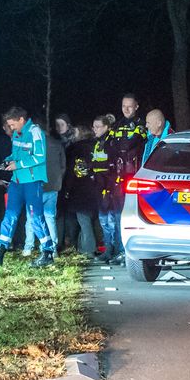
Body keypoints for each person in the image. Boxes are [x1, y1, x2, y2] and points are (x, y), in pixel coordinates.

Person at [0, 107, 57, 268]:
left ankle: (47, 252)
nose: (11, 128)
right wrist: (7, 161)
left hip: (32, 181)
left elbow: (40, 158)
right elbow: (15, 154)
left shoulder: (35, 132)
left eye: (13, 124)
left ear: (21, 120)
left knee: (36, 217)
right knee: (10, 215)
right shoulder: (17, 134)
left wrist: (18, 165)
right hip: (17, 181)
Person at [102, 94, 147, 264]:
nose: (126, 109)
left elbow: (128, 145)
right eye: (123, 106)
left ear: (136, 106)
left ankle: (127, 251)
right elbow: (108, 146)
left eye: (129, 106)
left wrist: (119, 144)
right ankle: (115, 249)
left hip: (134, 175)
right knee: (116, 215)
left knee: (130, 215)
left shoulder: (141, 124)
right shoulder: (117, 125)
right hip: (118, 176)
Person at [23, 120, 65, 257]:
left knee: (31, 218)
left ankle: (28, 247)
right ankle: (52, 249)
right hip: (53, 186)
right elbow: (63, 166)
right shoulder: (57, 144)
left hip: (35, 187)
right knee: (50, 217)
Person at [62, 125, 99, 257]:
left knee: (83, 221)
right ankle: (83, 248)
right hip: (95, 187)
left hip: (79, 189)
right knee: (89, 220)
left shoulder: (75, 149)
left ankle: (88, 249)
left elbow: (71, 171)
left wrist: (67, 188)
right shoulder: (98, 146)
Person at [90, 114, 120, 263]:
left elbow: (110, 164)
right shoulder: (98, 143)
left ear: (107, 127)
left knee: (111, 220)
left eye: (98, 127)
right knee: (103, 220)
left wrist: (92, 166)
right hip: (99, 185)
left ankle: (114, 249)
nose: (95, 130)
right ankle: (108, 249)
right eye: (94, 127)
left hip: (109, 185)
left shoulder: (111, 142)